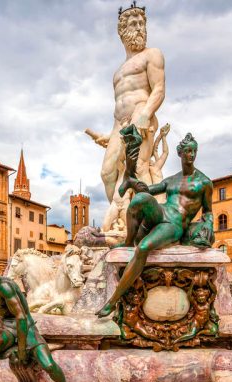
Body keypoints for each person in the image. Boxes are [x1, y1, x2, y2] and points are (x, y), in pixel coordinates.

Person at [97, 129, 214, 317]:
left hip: (174, 224)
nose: (191, 155)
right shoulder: (172, 180)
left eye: (194, 151)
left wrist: (208, 226)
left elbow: (208, 212)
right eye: (188, 151)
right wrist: (129, 174)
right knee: (141, 198)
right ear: (180, 153)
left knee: (143, 248)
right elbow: (146, 190)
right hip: (162, 212)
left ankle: (113, 300)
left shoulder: (204, 182)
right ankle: (128, 241)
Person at [90, 4, 165, 232]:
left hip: (141, 115)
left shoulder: (152, 55)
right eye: (134, 24)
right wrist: (110, 134)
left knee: (140, 168)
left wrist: (144, 115)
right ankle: (122, 216)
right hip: (118, 124)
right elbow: (119, 106)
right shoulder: (118, 72)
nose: (140, 27)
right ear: (122, 31)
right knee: (107, 172)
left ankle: (151, 221)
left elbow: (159, 89)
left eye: (142, 23)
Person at [0, 253, 78, 382]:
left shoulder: (4, 287)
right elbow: (4, 316)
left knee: (49, 365)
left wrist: (21, 349)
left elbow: (21, 318)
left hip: (26, 327)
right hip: (6, 327)